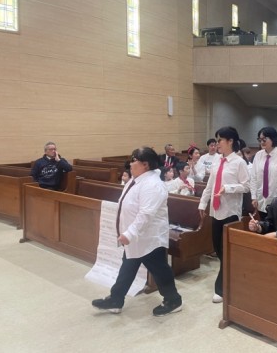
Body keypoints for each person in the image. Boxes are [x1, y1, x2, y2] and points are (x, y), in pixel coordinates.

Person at [92, 147, 182, 316]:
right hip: (136, 238)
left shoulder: (152, 185)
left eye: (134, 160)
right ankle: (116, 299)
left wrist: (129, 233)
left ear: (145, 164)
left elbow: (146, 214)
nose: (130, 164)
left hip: (149, 238)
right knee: (128, 267)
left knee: (159, 270)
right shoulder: (137, 180)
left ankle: (173, 300)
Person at [198, 126, 250, 303]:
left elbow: (246, 186)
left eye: (220, 140)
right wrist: (202, 203)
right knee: (218, 249)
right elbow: (210, 185)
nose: (217, 143)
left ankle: (221, 287)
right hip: (216, 210)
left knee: (225, 250)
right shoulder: (217, 161)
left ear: (230, 141)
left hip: (230, 212)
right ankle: (233, 275)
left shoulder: (239, 162)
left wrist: (228, 188)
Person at [251, 127, 277, 219]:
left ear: (273, 138)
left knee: (276, 226)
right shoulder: (258, 155)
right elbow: (253, 178)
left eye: (264, 139)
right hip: (260, 199)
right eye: (260, 140)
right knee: (263, 225)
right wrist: (254, 196)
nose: (262, 142)